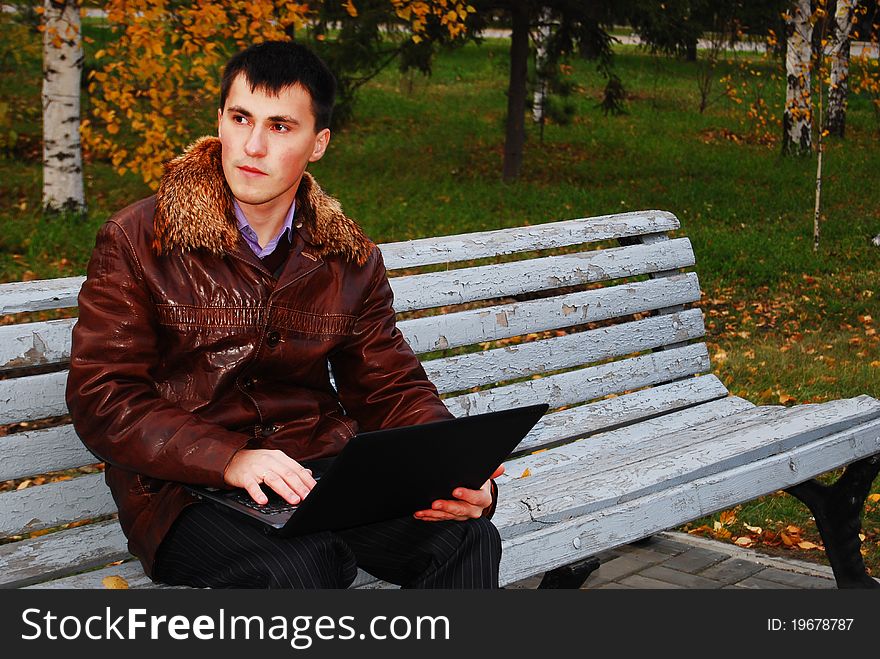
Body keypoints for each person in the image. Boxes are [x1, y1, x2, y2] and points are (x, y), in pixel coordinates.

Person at [65, 40, 503, 589]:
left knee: (465, 537)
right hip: (185, 491)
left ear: (318, 143)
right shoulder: (139, 239)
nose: (252, 146)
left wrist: (457, 475)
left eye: (280, 127)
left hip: (317, 476)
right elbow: (104, 395)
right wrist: (229, 458)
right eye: (241, 117)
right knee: (303, 565)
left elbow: (390, 386)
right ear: (218, 120)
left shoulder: (348, 258)